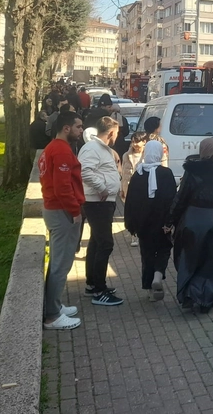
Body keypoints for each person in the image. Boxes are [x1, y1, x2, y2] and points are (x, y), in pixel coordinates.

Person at [167, 138, 213, 313]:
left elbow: (181, 197)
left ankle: (189, 294)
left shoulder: (192, 170)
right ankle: (206, 299)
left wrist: (170, 220)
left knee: (189, 258)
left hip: (193, 218)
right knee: (212, 260)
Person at [40, 112, 86, 331]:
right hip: (62, 212)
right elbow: (63, 187)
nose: (81, 131)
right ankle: (52, 315)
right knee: (61, 263)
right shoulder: (61, 151)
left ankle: (54, 305)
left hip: (56, 209)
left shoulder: (52, 148)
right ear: (67, 128)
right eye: (78, 127)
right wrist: (75, 211)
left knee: (59, 262)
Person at [77, 116, 124, 306]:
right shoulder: (92, 148)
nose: (117, 136)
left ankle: (92, 284)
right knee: (105, 244)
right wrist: (102, 188)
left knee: (96, 243)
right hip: (97, 202)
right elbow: (84, 171)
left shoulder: (102, 149)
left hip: (102, 202)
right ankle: (99, 290)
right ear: (111, 132)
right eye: (117, 133)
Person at [125, 140, 178, 302]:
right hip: (161, 222)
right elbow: (172, 200)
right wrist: (170, 222)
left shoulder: (138, 174)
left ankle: (149, 290)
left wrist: (131, 224)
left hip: (143, 223)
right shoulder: (166, 174)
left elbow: (130, 202)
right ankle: (158, 274)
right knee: (164, 248)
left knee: (147, 254)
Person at [120, 131, 147, 247]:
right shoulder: (126, 155)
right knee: (132, 213)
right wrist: (122, 189)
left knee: (143, 212)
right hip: (129, 188)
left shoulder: (147, 155)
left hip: (143, 188)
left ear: (144, 142)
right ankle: (134, 235)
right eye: (133, 142)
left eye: (137, 142)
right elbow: (123, 174)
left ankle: (142, 233)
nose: (134, 144)